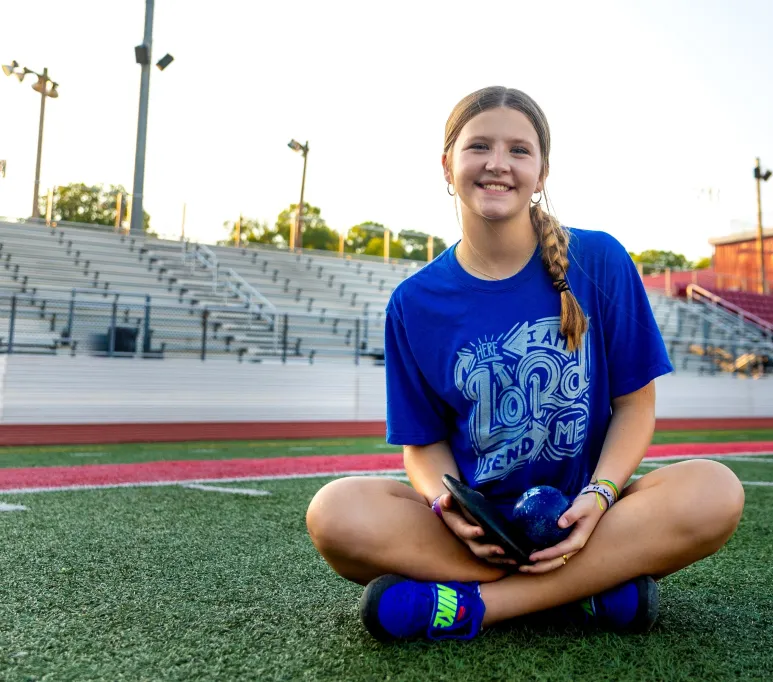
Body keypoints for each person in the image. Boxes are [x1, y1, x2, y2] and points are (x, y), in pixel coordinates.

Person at [306, 86, 745, 642]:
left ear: (541, 173)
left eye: (519, 150)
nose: (498, 164)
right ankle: (588, 591)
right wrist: (446, 507)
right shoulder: (413, 303)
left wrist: (600, 496)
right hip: (477, 533)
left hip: (590, 519)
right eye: (479, 147)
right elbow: (421, 445)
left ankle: (474, 608)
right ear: (447, 165)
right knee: (334, 514)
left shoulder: (601, 260)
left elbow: (635, 406)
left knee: (715, 491)